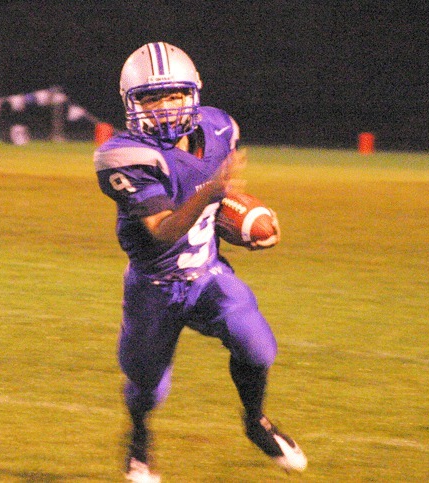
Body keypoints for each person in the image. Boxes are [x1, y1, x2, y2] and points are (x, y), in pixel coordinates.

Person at [94, 42, 307, 482]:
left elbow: (219, 197)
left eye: (174, 95)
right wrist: (212, 192)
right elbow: (161, 231)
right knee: (147, 387)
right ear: (131, 103)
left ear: (193, 94)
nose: (165, 107)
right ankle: (138, 441)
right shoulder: (123, 156)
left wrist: (244, 223)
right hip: (154, 285)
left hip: (208, 274)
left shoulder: (219, 128)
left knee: (258, 347)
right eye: (151, 98)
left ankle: (256, 421)